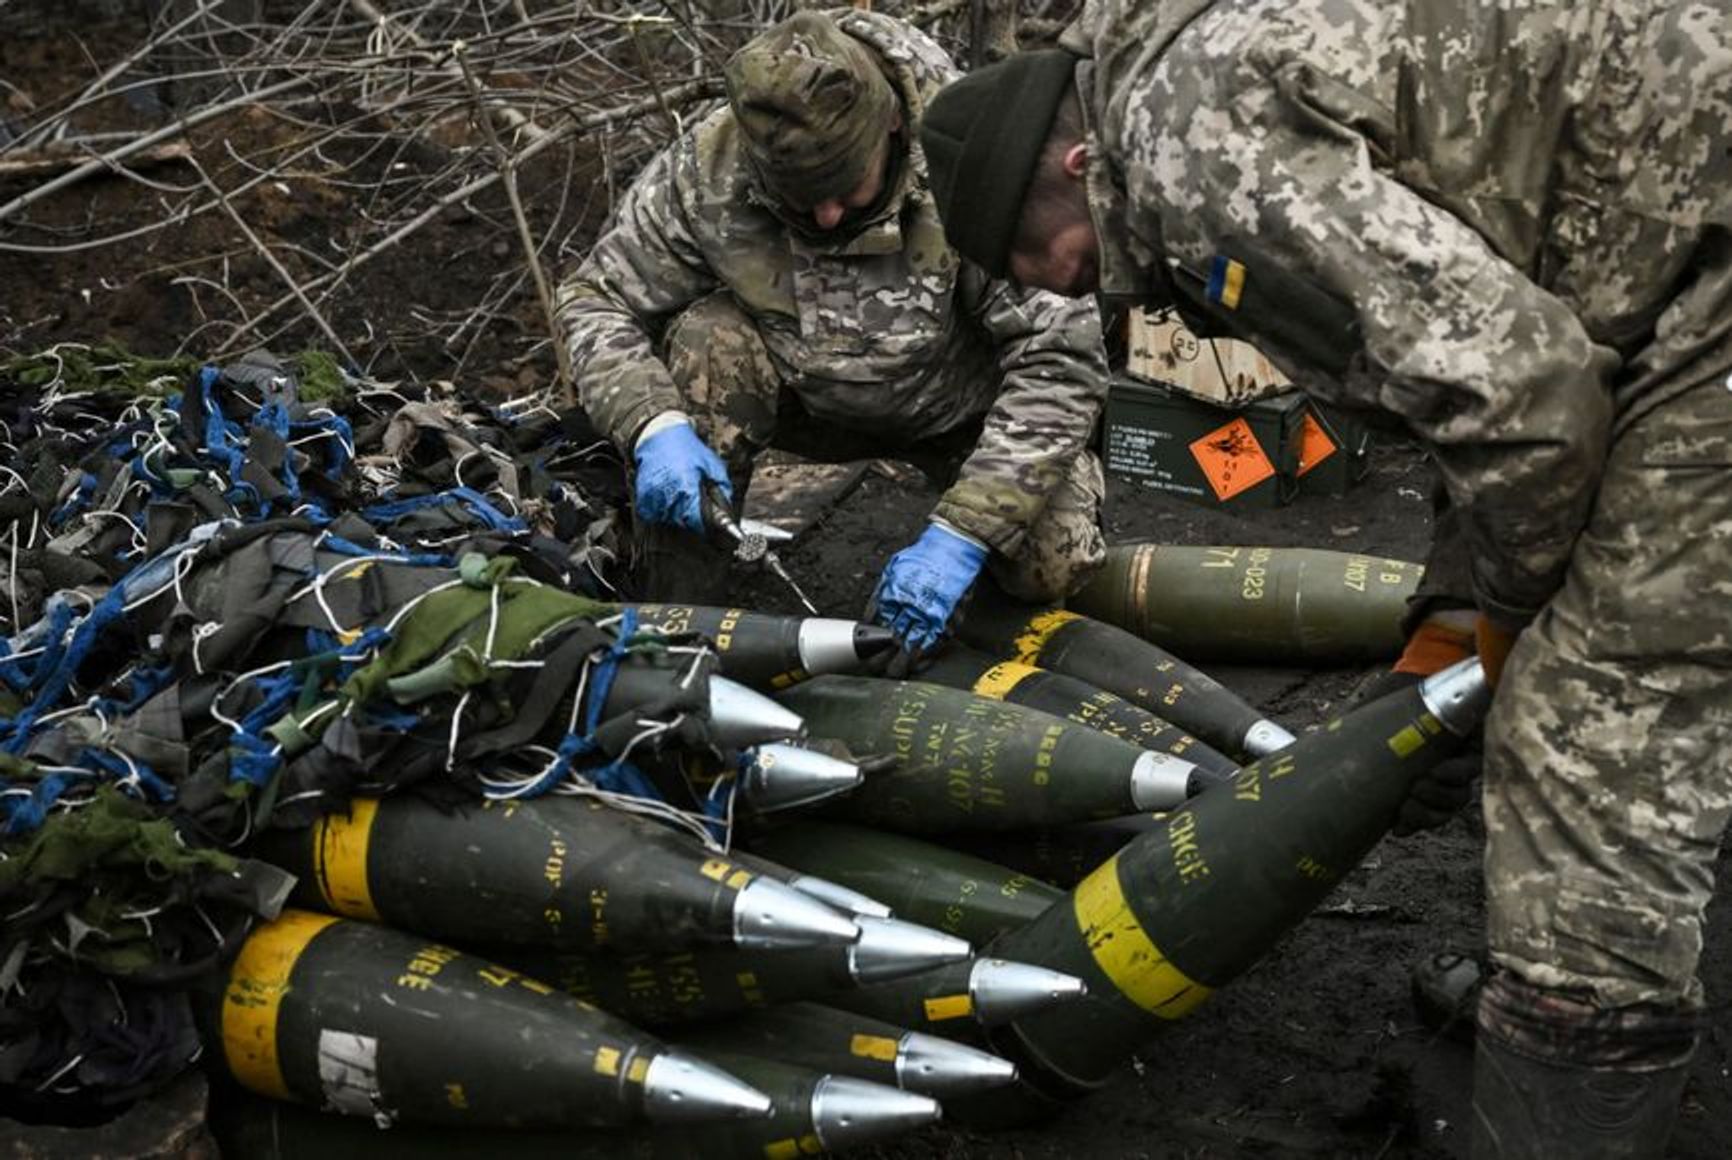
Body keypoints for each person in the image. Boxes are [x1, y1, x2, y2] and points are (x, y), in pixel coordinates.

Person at [915, 2, 1732, 1156]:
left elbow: (1527, 404)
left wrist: (1512, 618)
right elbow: (1476, 373)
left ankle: (1575, 1045)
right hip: (1669, 247)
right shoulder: (1198, 67)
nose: (1057, 284)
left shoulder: (1184, 151)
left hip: (1702, 296)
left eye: (1028, 251)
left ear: (1070, 162)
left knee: (1587, 747)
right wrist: (1452, 613)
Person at [554, 8, 1109, 657]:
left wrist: (965, 533)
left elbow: (1061, 357)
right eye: (798, 195)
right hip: (800, 397)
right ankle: (677, 623)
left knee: (1054, 560)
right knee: (709, 341)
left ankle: (968, 629)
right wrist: (652, 425)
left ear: (892, 126)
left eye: (843, 185)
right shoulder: (709, 167)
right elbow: (593, 296)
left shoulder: (972, 157)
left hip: (963, 411)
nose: (826, 214)